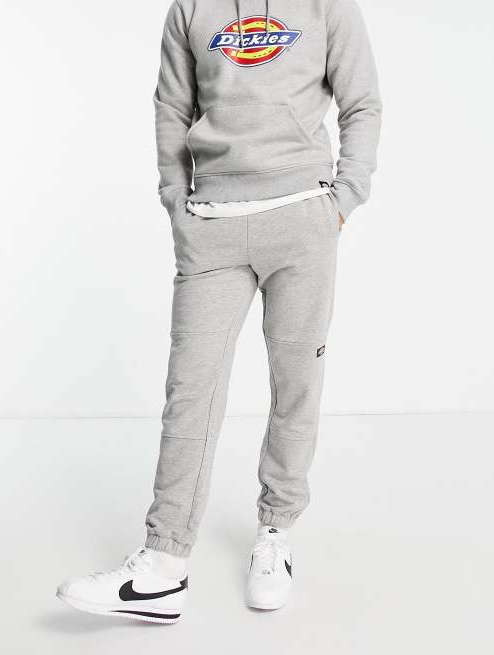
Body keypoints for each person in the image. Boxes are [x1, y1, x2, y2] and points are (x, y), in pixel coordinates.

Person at [57, 0, 381, 623]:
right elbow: (171, 107)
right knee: (190, 392)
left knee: (296, 385)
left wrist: (344, 198)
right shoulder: (189, 8)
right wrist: (175, 202)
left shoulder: (328, 5)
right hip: (212, 225)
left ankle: (276, 533)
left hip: (302, 220)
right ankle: (163, 566)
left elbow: (362, 101)